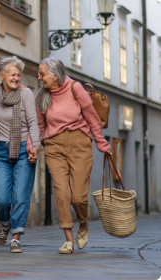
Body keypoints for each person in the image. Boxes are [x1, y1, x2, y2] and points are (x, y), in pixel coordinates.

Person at [36, 57, 111, 254]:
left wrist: (101, 142)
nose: (39, 77)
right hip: (54, 146)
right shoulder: (42, 96)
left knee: (78, 197)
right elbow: (40, 125)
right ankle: (68, 240)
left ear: (55, 74)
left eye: (42, 74)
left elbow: (92, 117)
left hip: (79, 144)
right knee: (62, 192)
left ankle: (83, 223)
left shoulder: (75, 88)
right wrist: (35, 145)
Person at [0, 56, 40, 253]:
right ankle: (5, 224)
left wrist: (35, 146)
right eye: (12, 74)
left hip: (23, 150)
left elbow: (33, 122)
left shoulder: (26, 93)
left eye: (18, 75)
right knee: (2, 199)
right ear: (1, 75)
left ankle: (16, 237)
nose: (16, 78)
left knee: (20, 196)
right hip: (0, 151)